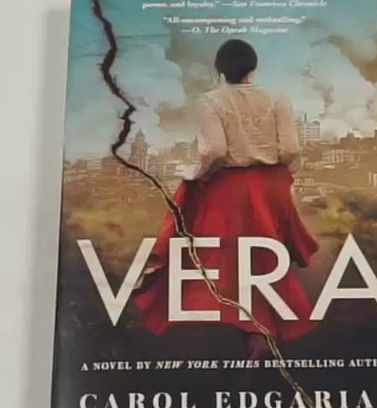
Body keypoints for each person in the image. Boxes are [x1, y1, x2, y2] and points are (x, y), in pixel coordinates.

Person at [133, 39, 318, 352]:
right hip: (272, 185)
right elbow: (290, 149)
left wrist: (198, 173)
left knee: (221, 243)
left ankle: (162, 270)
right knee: (263, 253)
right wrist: (282, 175)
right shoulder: (278, 97)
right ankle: (261, 330)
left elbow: (216, 151)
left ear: (220, 70)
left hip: (232, 186)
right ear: (253, 66)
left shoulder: (211, 101)